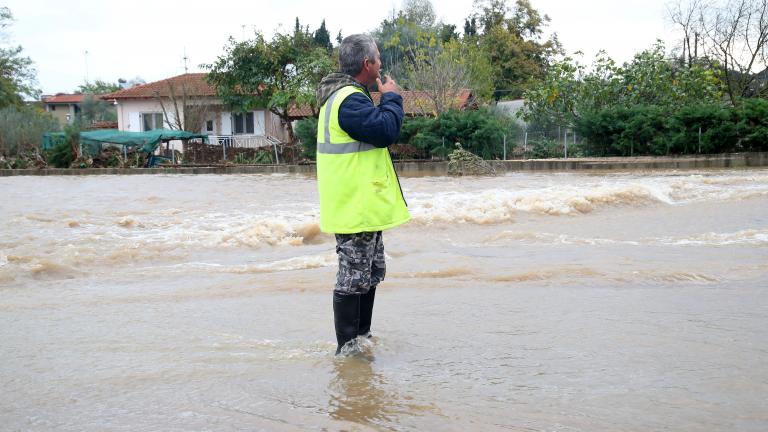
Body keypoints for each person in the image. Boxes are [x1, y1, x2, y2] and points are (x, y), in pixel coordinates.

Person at [315, 34, 410, 355]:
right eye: (378, 59)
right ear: (367, 65)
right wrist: (393, 98)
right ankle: (348, 350)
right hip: (354, 207)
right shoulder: (348, 100)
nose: (381, 64)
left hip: (360, 205)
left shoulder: (346, 96)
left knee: (369, 273)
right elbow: (385, 131)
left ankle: (361, 339)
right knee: (353, 277)